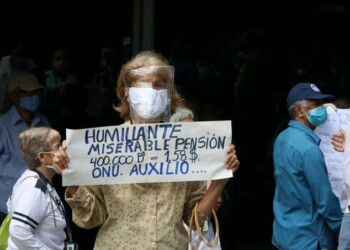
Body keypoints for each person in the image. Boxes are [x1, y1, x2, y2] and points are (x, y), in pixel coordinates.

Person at [53, 50, 240, 249]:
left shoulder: (184, 145)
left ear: (168, 94)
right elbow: (90, 217)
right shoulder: (105, 146)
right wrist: (70, 176)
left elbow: (194, 221)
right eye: (143, 83)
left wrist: (220, 180)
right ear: (127, 91)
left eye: (158, 84)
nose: (151, 90)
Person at [272, 82, 343, 250]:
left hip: (285, 234)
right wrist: (344, 229)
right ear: (299, 111)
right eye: (316, 105)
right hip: (309, 238)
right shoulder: (309, 150)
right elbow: (325, 202)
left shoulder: (282, 138)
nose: (322, 109)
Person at [0, 72, 50, 225]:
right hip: (7, 206)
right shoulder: (2, 125)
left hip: (40, 203)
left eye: (36, 92)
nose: (34, 96)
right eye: (29, 92)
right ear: (14, 96)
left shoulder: (43, 121)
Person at [7, 127, 68, 249]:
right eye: (57, 146)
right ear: (42, 158)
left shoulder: (36, 180)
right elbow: (18, 231)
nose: (62, 151)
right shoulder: (34, 188)